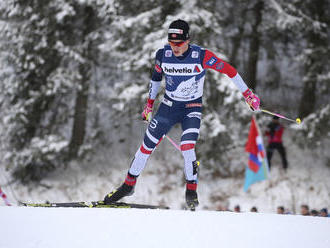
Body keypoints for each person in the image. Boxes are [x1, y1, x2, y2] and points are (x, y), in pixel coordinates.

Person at [103, 19, 260, 209]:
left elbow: (230, 71)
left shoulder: (201, 56)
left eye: (179, 43)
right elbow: (155, 79)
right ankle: (128, 185)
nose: (175, 47)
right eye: (171, 43)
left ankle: (191, 189)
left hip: (191, 108)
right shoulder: (163, 54)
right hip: (168, 108)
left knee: (187, 147)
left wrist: (248, 95)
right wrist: (149, 105)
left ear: (188, 40)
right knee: (146, 146)